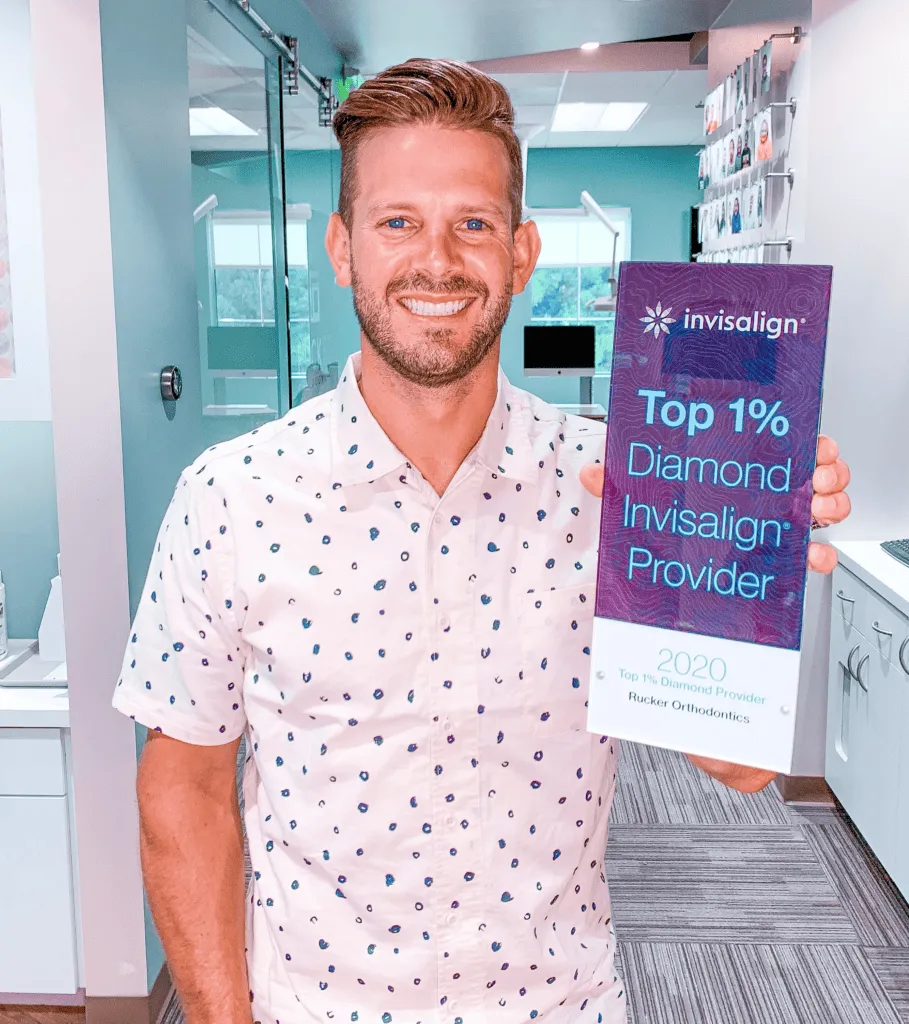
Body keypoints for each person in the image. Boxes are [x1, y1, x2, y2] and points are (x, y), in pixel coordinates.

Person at [111, 59, 852, 1024]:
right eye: (396, 222)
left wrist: (749, 566)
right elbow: (186, 792)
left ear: (521, 251)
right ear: (340, 248)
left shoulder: (615, 488)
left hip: (560, 1006)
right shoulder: (231, 498)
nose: (437, 260)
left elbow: (740, 768)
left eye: (472, 223)